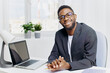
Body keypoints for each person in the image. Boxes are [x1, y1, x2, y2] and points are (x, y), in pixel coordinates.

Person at [47, 5, 97, 71]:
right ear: (60, 22)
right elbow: (53, 55)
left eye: (69, 14)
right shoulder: (59, 35)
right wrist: (54, 63)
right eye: (62, 17)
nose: (65, 18)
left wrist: (68, 65)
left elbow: (90, 61)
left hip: (85, 70)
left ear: (75, 16)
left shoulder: (89, 33)